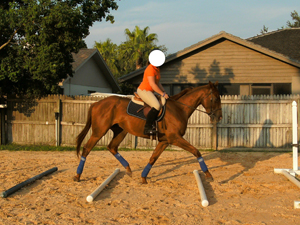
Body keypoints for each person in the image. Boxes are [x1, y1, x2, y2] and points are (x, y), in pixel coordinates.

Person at [137, 50, 169, 135]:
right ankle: (147, 128)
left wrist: (164, 92)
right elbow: (153, 84)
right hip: (144, 90)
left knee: (164, 102)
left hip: (150, 91)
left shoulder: (156, 69)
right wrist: (162, 94)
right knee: (157, 105)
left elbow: (158, 82)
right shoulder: (150, 69)